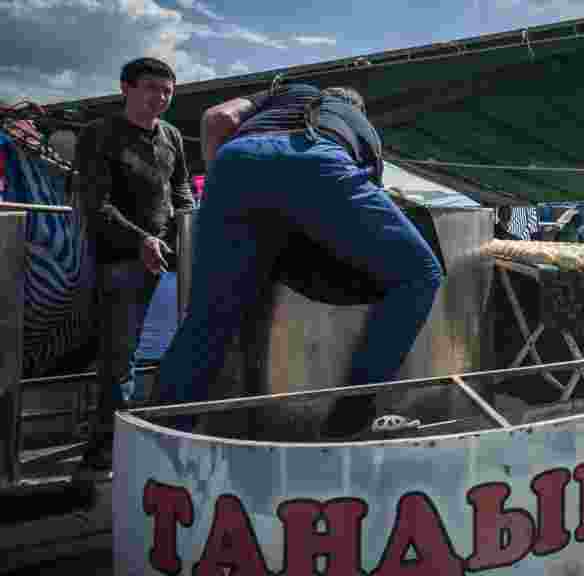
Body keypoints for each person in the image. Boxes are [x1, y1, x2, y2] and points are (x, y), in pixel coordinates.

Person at [156, 81, 442, 438]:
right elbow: (359, 208)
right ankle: (348, 421)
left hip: (235, 162)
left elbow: (218, 117)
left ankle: (165, 434)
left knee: (208, 316)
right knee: (421, 274)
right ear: (357, 108)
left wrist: (223, 189)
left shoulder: (290, 91)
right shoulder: (357, 122)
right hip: (317, 160)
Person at [73, 57, 194, 473]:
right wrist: (140, 239)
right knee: (119, 356)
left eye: (167, 91)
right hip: (119, 260)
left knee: (149, 350)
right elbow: (94, 202)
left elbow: (180, 184)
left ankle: (144, 434)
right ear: (126, 88)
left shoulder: (173, 135)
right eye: (151, 88)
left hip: (168, 258)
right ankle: (108, 447)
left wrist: (186, 218)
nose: (159, 98)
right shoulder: (99, 134)